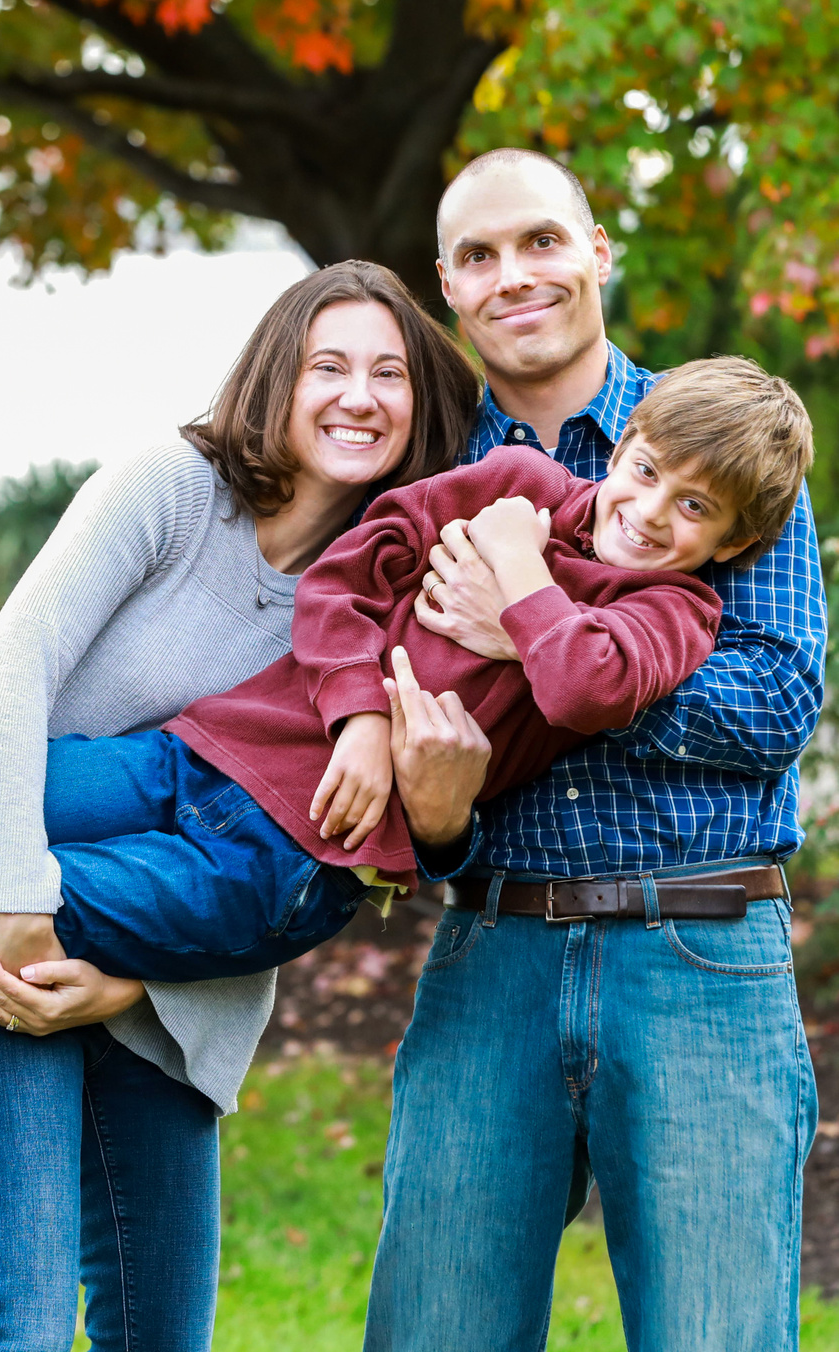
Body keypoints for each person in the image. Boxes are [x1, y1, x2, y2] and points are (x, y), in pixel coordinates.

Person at [0, 260, 483, 1351]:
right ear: (276, 377)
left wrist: (127, 975)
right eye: (327, 364)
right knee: (27, 1321)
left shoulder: (396, 584)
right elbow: (8, 674)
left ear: (422, 403)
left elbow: (320, 853)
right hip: (15, 922)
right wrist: (15, 905)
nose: (357, 395)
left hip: (174, 986)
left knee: (162, 1331)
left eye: (389, 372)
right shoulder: (173, 489)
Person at [0, 352, 807, 1038]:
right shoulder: (517, 480)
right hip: (203, 754)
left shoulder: (673, 611)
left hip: (291, 860)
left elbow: (586, 686)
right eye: (648, 469)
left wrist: (513, 566)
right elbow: (344, 575)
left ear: (739, 540)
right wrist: (359, 717)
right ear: (622, 447)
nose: (651, 511)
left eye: (694, 506)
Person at [363, 149, 827, 1352]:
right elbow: (381, 703)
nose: (514, 275)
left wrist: (538, 637)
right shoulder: (431, 468)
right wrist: (440, 808)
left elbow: (772, 702)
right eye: (478, 256)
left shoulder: (715, 439)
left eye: (541, 241)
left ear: (596, 251)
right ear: (448, 289)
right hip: (490, 941)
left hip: (699, 950)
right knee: (435, 1330)